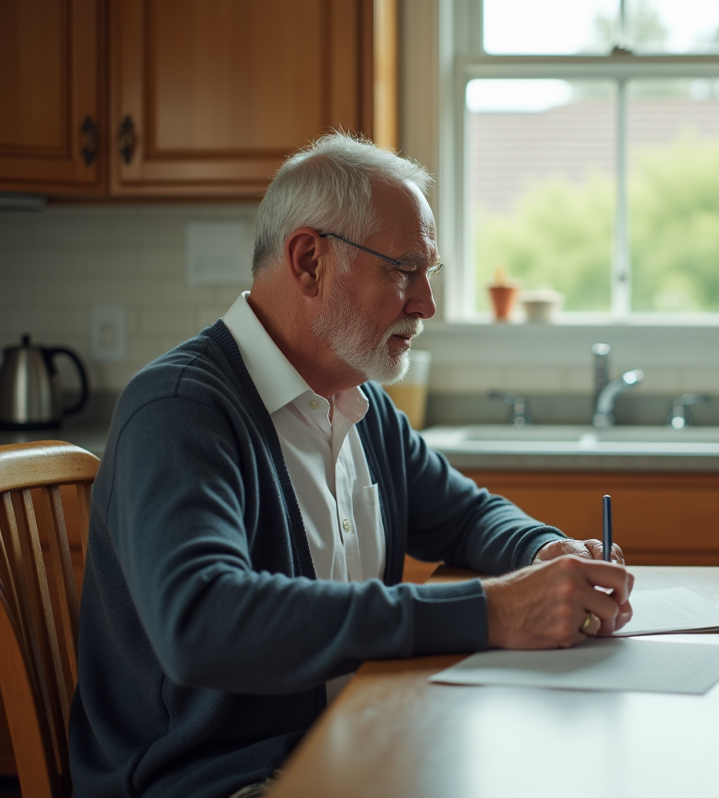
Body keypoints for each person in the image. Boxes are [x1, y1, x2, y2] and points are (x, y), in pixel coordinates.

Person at [69, 132, 634, 798]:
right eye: (402, 269)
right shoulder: (179, 410)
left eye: (430, 272)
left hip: (353, 740)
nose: (426, 302)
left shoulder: (355, 401)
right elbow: (201, 621)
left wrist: (545, 550)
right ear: (309, 261)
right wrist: (492, 611)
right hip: (213, 780)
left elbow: (465, 515)